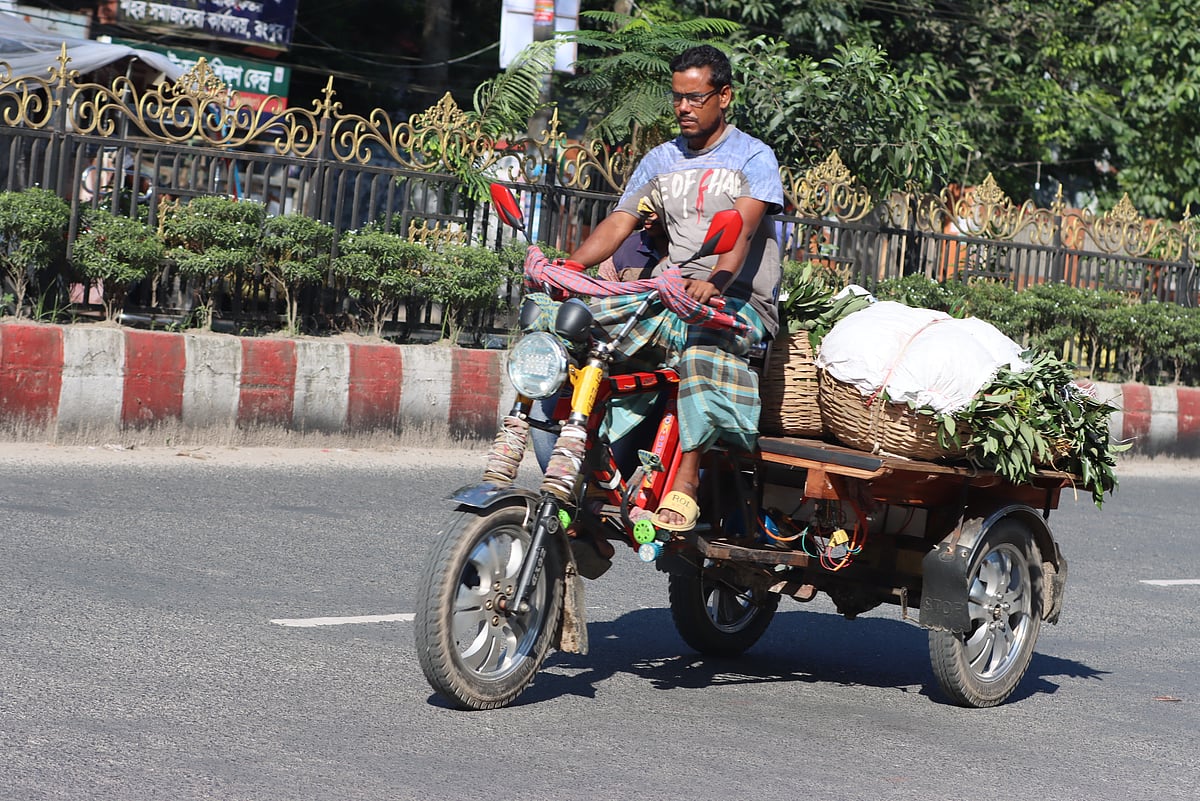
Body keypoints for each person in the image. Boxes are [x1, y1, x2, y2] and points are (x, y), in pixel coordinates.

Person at [568, 44, 785, 531]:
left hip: (738, 303)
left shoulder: (754, 156)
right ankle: (588, 460)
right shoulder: (660, 160)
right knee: (585, 330)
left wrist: (714, 284)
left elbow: (741, 235)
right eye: (677, 98)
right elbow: (620, 221)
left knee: (702, 343)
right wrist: (569, 266)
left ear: (724, 96)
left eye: (695, 97)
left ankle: (685, 481)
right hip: (672, 297)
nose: (684, 107)